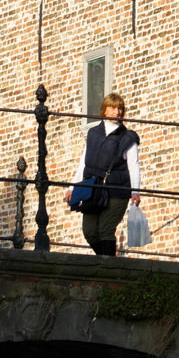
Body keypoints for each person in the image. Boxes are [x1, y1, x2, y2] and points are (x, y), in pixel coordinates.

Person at [65, 93, 141, 258]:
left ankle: (109, 267)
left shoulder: (128, 137)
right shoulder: (94, 133)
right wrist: (72, 187)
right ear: (104, 110)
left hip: (117, 190)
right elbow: (84, 162)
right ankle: (108, 262)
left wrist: (135, 191)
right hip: (94, 188)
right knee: (90, 231)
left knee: (106, 229)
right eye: (113, 108)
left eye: (120, 108)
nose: (117, 112)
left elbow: (133, 165)